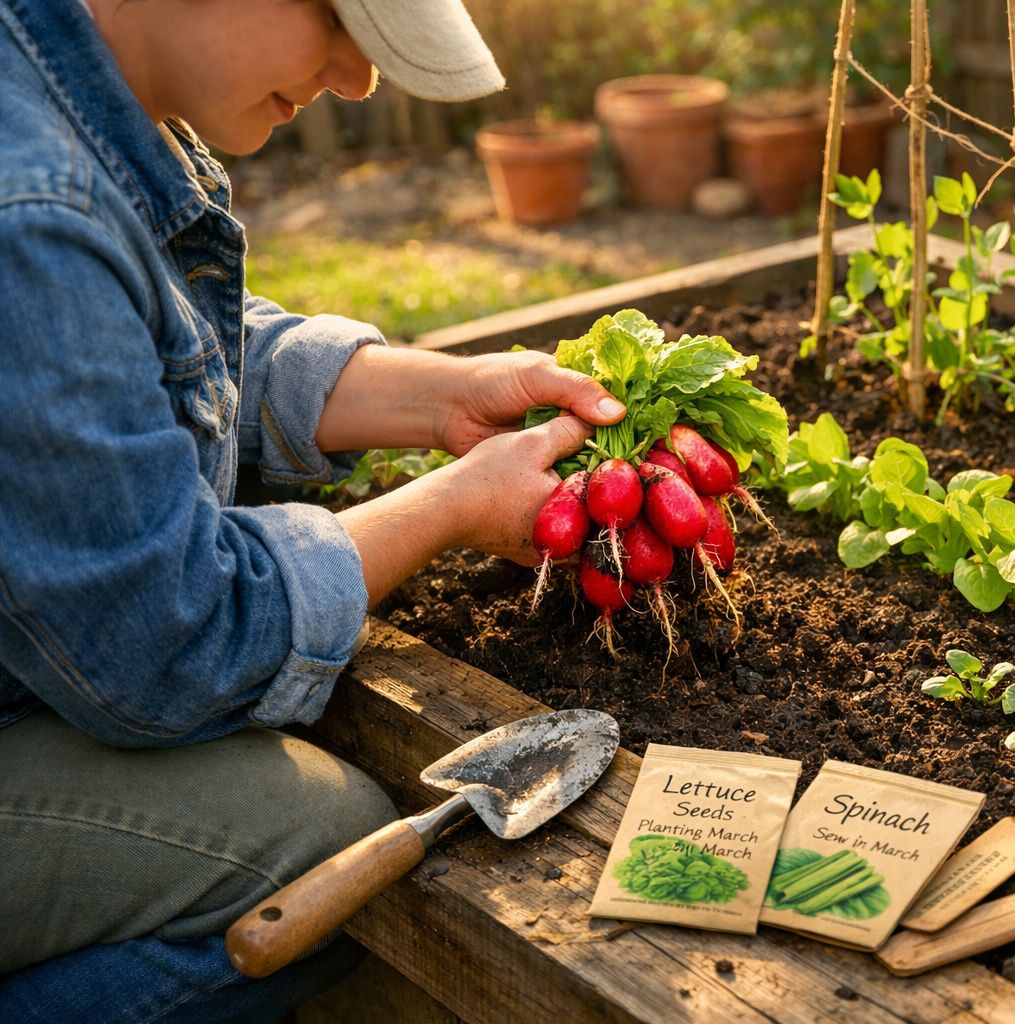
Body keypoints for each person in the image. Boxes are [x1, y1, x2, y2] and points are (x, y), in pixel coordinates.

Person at [0, 1, 624, 1021]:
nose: (358, 78)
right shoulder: (25, 208)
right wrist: (452, 508)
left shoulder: (76, 97)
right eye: (340, 19)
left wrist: (438, 393)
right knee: (328, 841)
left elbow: (142, 357)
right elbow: (169, 641)